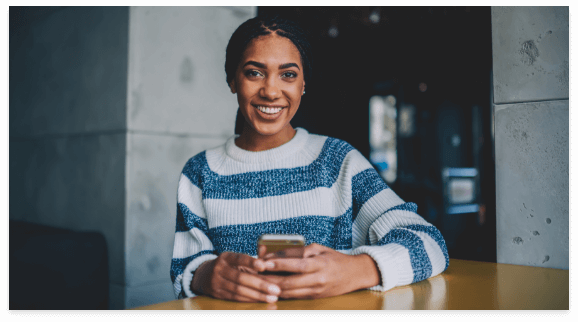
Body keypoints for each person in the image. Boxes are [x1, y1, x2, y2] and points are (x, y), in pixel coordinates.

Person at [170, 15, 449, 303]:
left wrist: (357, 269)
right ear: (232, 80)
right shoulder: (200, 172)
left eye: (288, 74)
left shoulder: (337, 161)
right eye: (254, 73)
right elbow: (183, 272)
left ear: (303, 84)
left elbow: (431, 244)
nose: (271, 91)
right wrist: (205, 276)